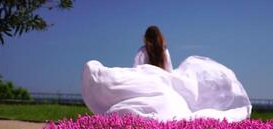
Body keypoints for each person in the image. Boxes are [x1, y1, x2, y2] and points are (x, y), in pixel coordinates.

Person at [82, 26, 252, 122]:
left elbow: (136, 70)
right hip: (162, 82)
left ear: (146, 39)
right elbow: (169, 72)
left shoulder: (142, 52)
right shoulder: (165, 53)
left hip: (148, 81)